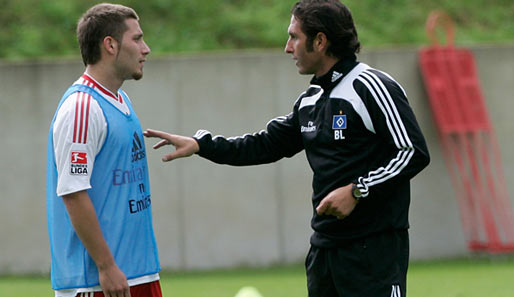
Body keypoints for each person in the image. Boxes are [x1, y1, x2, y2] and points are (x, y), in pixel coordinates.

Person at [145, 0, 430, 296]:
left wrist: (358, 190)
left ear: (320, 41)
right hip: (324, 251)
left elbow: (413, 152)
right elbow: (264, 144)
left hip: (374, 252)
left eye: (294, 37)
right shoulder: (310, 100)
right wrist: (201, 145)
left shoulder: (371, 86)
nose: (287, 47)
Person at [46, 3, 161, 297]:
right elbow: (73, 192)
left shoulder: (120, 100)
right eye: (137, 39)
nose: (145, 49)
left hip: (137, 272)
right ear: (110, 45)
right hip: (98, 281)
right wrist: (107, 265)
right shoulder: (82, 107)